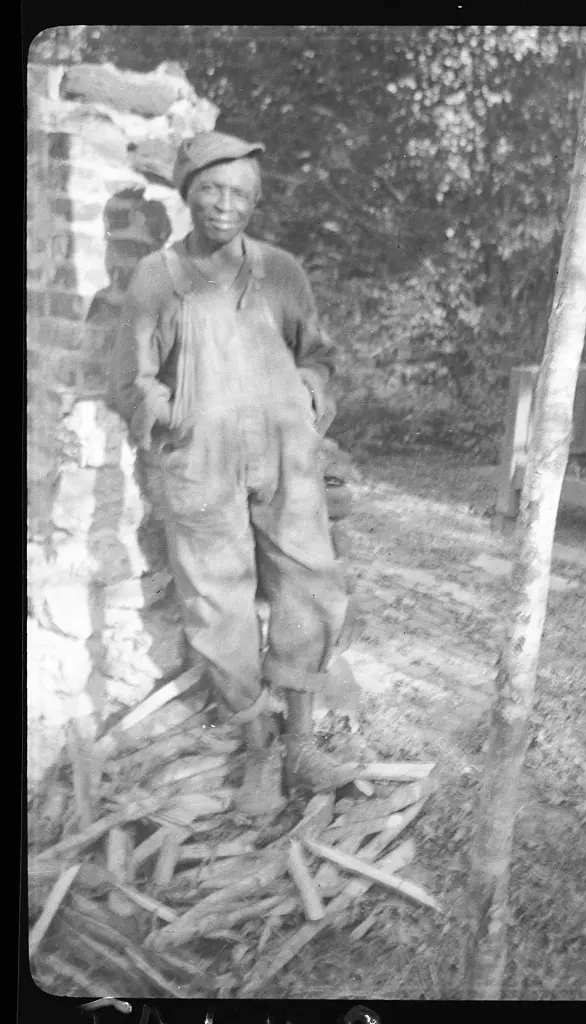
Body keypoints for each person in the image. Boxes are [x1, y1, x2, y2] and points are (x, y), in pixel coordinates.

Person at [110, 130, 361, 816]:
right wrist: (168, 412)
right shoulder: (160, 277)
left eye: (242, 195)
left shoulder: (280, 270)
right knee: (217, 604)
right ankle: (257, 745)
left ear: (256, 203)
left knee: (310, 585)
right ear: (189, 195)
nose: (227, 206)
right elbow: (131, 379)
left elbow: (319, 355)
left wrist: (309, 395)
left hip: (284, 452)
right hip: (202, 459)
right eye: (213, 191)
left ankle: (302, 743)